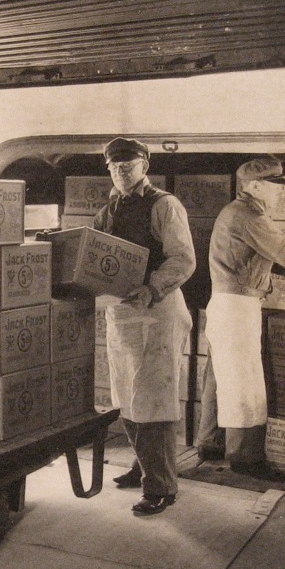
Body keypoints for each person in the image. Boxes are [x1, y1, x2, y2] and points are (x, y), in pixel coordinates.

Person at [94, 137, 195, 516]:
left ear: (145, 167)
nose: (122, 171)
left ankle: (161, 486)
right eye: (115, 166)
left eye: (129, 164)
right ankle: (143, 467)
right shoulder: (107, 211)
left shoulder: (164, 205)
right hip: (122, 314)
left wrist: (152, 287)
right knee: (126, 393)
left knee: (153, 398)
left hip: (156, 310)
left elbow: (183, 259)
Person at [196, 157, 285, 482]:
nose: (281, 194)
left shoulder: (237, 211)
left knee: (220, 376)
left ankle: (212, 443)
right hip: (237, 307)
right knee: (245, 383)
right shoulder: (249, 215)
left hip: (226, 304)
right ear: (254, 186)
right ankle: (246, 459)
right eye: (276, 187)